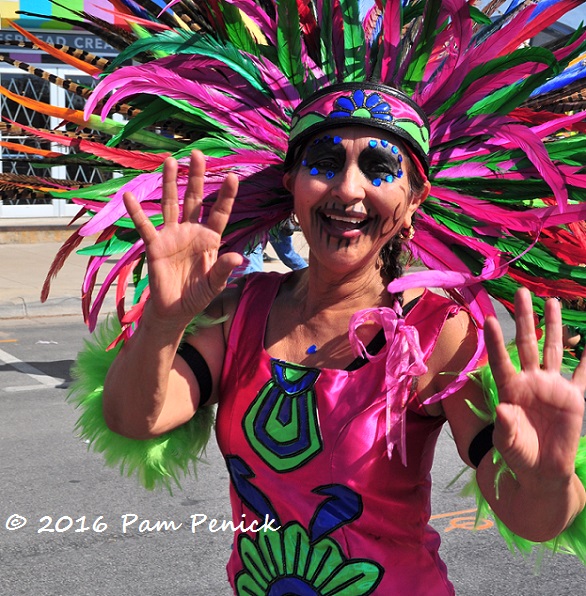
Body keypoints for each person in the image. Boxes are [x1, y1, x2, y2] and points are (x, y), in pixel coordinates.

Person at [101, 82, 586, 595]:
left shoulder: (435, 330)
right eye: (326, 162)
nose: (349, 190)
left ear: (414, 199)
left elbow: (533, 520)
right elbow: (135, 420)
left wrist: (546, 479)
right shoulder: (239, 309)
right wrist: (162, 321)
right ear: (291, 184)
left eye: (378, 169)